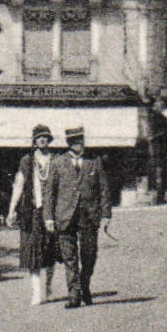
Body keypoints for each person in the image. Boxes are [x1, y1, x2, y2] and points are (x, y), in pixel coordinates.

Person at [44, 126, 110, 310]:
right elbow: (49, 192)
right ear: (68, 143)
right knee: (69, 257)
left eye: (80, 140)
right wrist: (48, 218)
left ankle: (84, 285)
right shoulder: (58, 163)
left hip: (88, 216)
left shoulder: (94, 162)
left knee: (89, 255)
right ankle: (74, 294)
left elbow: (104, 189)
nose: (78, 144)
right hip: (65, 216)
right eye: (74, 141)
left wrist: (106, 214)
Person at [6, 124, 59, 306]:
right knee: (33, 253)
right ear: (34, 141)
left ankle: (48, 286)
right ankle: (36, 292)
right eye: (39, 137)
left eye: (45, 137)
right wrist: (11, 210)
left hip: (52, 212)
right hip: (33, 213)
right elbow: (19, 185)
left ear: (49, 140)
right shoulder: (27, 161)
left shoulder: (56, 160)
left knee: (51, 250)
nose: (42, 140)